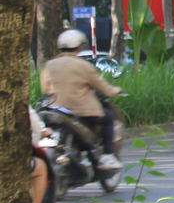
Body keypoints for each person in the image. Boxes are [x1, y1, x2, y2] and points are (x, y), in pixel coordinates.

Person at [40, 29, 122, 170]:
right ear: (79, 47)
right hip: (80, 113)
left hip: (54, 110)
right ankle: (107, 156)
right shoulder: (83, 65)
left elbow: (45, 89)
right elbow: (102, 87)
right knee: (109, 117)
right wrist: (115, 90)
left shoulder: (49, 65)